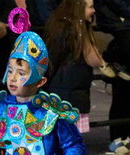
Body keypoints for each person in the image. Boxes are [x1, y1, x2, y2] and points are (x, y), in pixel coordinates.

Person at [0, 32, 87, 154]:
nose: (13, 78)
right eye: (10, 71)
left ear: (40, 81)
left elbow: (74, 146)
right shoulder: (0, 110)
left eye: (21, 73)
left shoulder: (51, 113)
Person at [43, 0, 104, 133]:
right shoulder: (64, 32)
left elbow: (95, 60)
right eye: (90, 7)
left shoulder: (82, 31)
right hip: (63, 98)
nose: (94, 11)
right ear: (78, 8)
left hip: (73, 98)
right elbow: (51, 63)